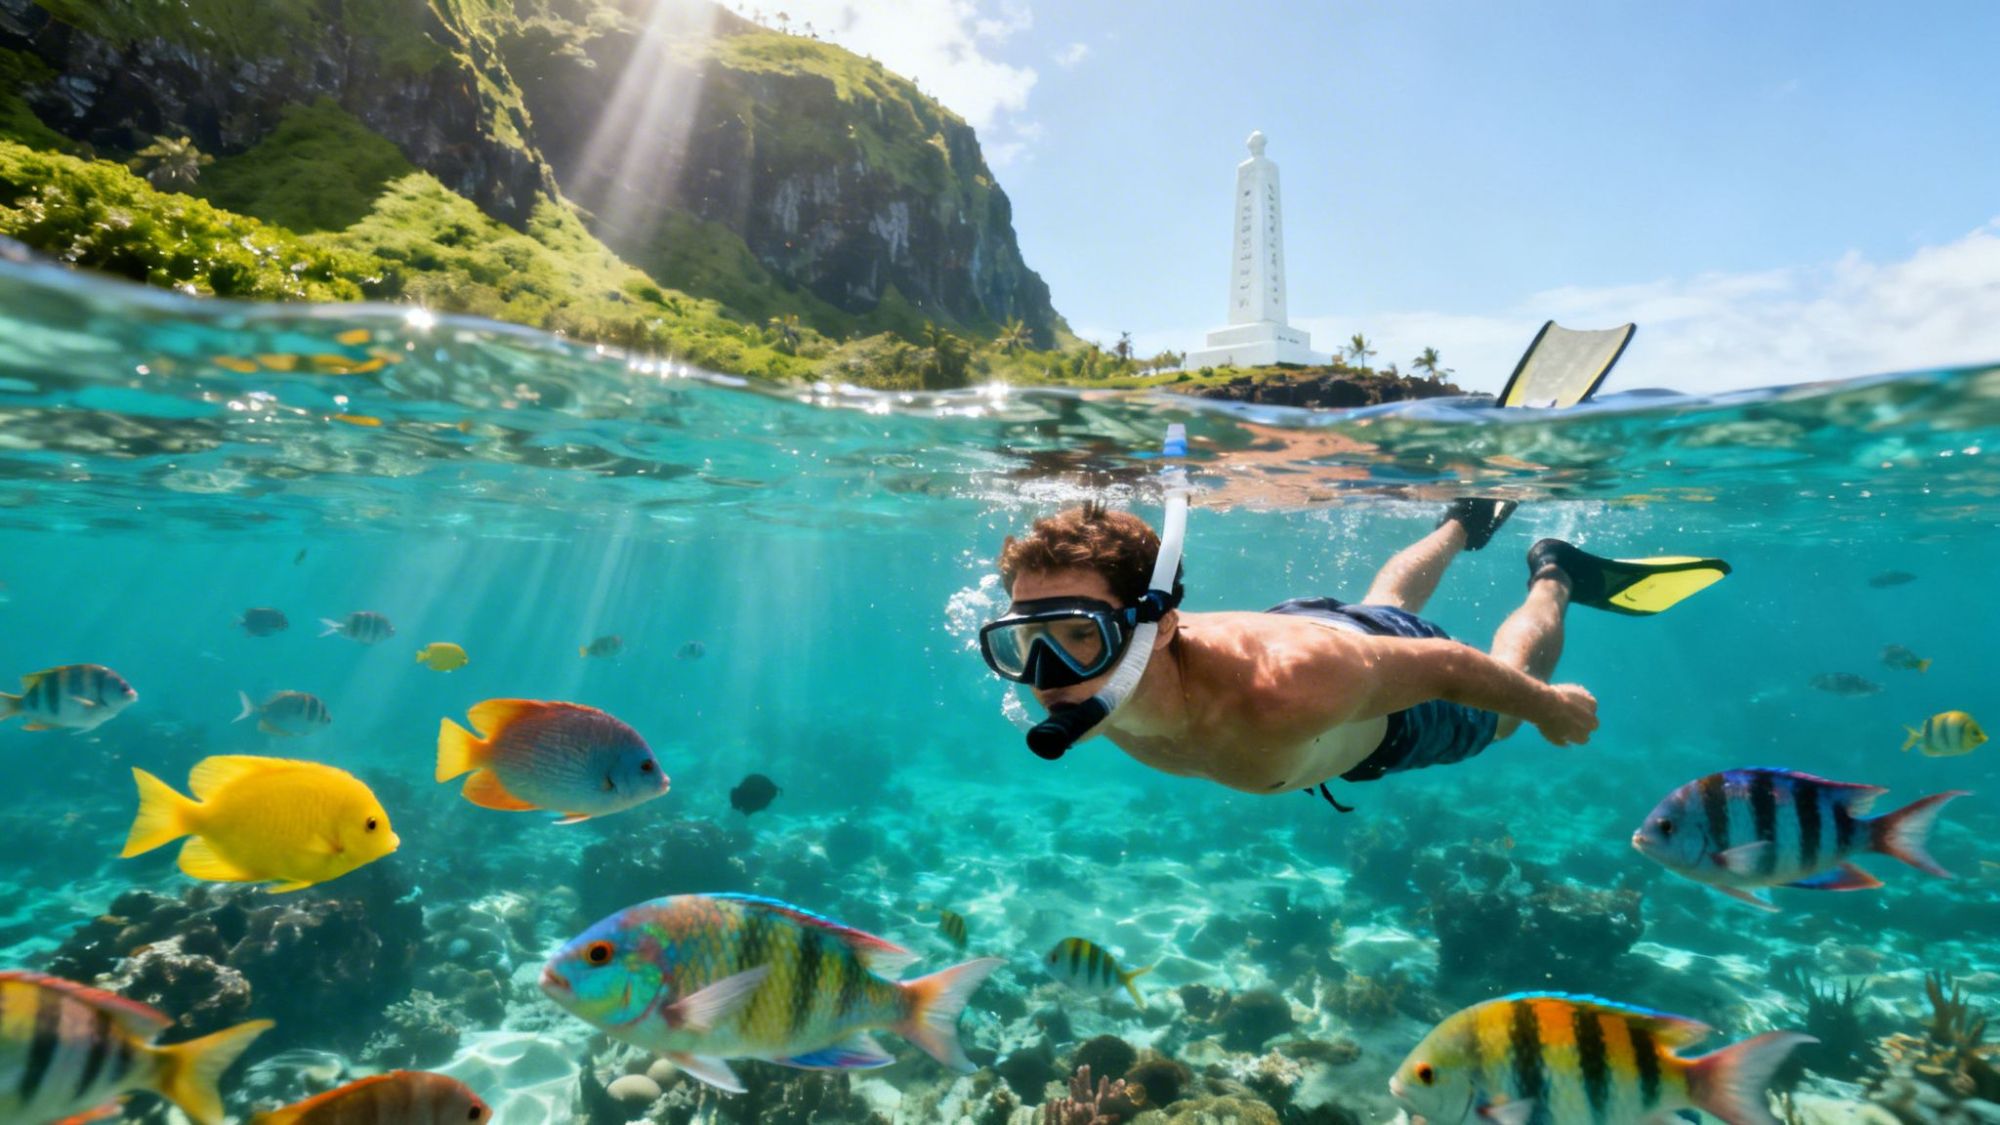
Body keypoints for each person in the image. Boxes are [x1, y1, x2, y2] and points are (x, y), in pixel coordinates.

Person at [978, 499, 1728, 804]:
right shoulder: (1097, 689)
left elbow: (1446, 668)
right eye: (1025, 641)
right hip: (1319, 643)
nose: (1047, 677)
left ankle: (1555, 573)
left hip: (1369, 696)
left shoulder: (1286, 689)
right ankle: (1464, 522)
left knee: (1499, 701)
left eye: (1081, 636)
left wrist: (1547, 708)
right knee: (1383, 608)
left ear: (1160, 627)